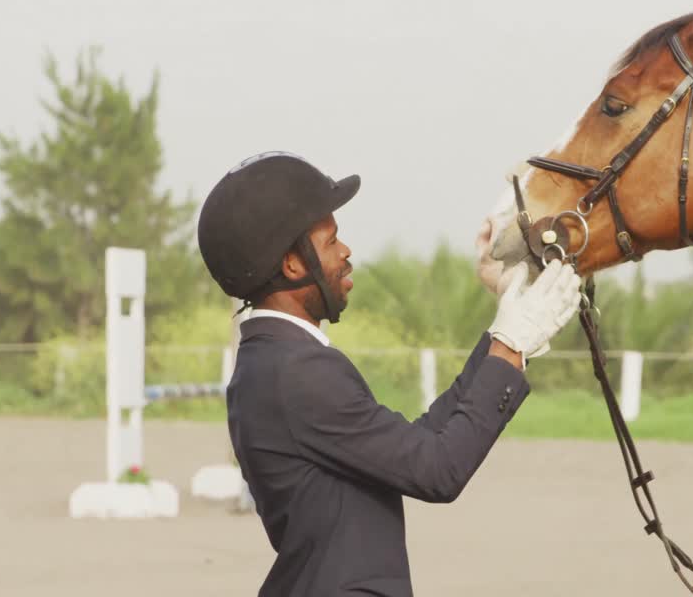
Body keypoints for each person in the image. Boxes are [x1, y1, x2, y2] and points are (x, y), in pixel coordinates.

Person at [197, 151, 582, 597]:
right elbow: (439, 469)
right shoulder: (298, 372)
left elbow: (425, 443)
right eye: (330, 241)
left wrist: (504, 331)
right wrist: (511, 345)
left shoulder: (274, 362)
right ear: (292, 264)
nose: (346, 252)